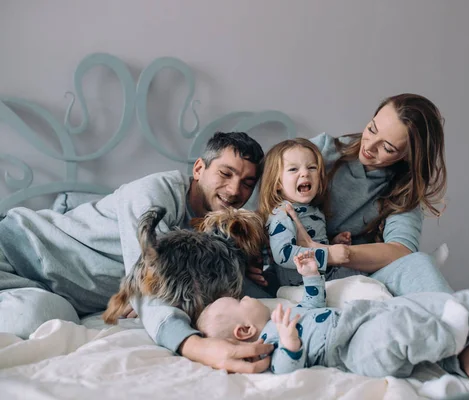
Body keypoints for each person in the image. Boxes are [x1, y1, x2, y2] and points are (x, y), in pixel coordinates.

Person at [246, 94, 469, 388]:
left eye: (387, 147)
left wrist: (337, 253)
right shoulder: (320, 151)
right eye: (372, 129)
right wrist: (252, 252)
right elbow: (257, 205)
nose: (369, 147)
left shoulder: (402, 190)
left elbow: (400, 249)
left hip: (350, 277)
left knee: (417, 264)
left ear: (408, 155)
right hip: (290, 278)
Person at [0, 131, 274, 373]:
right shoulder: (154, 193)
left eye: (248, 182)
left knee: (42, 320)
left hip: (50, 293)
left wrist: (250, 265)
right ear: (200, 169)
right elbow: (151, 281)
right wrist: (194, 345)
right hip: (17, 248)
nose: (235, 189)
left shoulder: (218, 235)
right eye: (225, 174)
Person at [198, 250, 469, 378]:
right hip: (348, 350)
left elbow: (314, 303)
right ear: (243, 331)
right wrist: (290, 341)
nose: (244, 296)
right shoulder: (270, 339)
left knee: (421, 302)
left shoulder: (285, 312)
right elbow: (283, 370)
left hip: (357, 316)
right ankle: (450, 337)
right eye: (239, 301)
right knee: (394, 331)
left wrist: (311, 274)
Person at [256, 138, 351, 294]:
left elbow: (310, 243)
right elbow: (283, 254)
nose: (305, 173)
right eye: (293, 169)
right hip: (300, 287)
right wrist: (327, 255)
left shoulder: (313, 210)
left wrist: (332, 243)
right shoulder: (282, 213)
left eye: (312, 168)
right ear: (277, 183)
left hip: (324, 276)